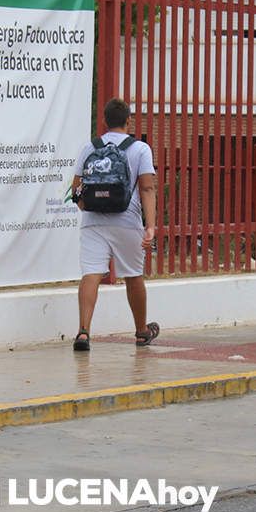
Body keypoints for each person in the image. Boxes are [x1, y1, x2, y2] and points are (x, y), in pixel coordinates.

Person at [71, 98, 159, 350]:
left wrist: (87, 207)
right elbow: (147, 187)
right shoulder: (140, 149)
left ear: (104, 122)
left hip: (93, 223)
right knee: (133, 276)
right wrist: (150, 226)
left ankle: (83, 332)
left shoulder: (90, 147)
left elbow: (75, 188)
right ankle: (142, 332)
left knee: (91, 274)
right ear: (128, 121)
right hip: (127, 221)